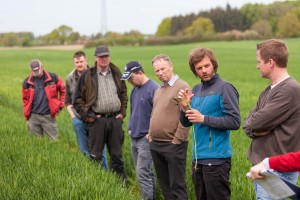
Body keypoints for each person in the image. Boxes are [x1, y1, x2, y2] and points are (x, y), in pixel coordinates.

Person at [178, 48, 240, 200]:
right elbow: (186, 122)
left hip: (217, 159)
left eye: (207, 66)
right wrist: (185, 107)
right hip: (197, 160)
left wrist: (204, 119)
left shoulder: (225, 88)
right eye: (199, 68)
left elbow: (234, 121)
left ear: (213, 64)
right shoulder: (196, 89)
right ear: (194, 70)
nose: (204, 70)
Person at [243, 39, 300, 200]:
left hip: (277, 170)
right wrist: (255, 125)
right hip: (263, 167)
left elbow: (254, 122)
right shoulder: (269, 90)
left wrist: (255, 124)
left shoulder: (289, 90)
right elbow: (249, 124)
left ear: (271, 62)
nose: (257, 65)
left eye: (259, 61)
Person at [73, 45, 128, 181]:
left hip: (115, 120)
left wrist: (122, 112)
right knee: (95, 156)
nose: (104, 59)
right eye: (101, 56)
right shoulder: (88, 75)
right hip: (97, 121)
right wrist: (88, 116)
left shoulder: (116, 72)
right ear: (95, 58)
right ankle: (98, 184)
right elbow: (77, 100)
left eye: (106, 56)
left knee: (117, 156)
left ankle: (120, 186)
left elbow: (123, 93)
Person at [148, 54, 191, 200]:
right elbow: (155, 112)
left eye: (162, 69)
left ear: (171, 67)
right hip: (156, 144)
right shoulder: (158, 90)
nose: (160, 73)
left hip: (173, 145)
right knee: (165, 186)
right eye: (157, 71)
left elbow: (187, 113)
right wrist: (150, 134)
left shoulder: (182, 86)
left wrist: (177, 140)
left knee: (177, 186)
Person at [121, 61, 159, 200]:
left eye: (131, 78)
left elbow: (158, 115)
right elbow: (134, 111)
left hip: (146, 138)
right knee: (145, 173)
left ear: (140, 73)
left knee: (143, 172)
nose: (130, 81)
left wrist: (151, 132)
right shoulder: (135, 90)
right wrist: (130, 127)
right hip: (134, 137)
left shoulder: (154, 89)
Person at [65, 51, 108, 170]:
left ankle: (106, 177)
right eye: (77, 62)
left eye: (81, 61)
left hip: (96, 119)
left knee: (100, 151)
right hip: (79, 120)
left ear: (86, 61)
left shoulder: (97, 75)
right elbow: (67, 101)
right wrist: (73, 117)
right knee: (84, 151)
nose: (79, 64)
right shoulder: (70, 78)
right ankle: (92, 175)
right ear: (74, 63)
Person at [22, 59, 66, 140]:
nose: (36, 73)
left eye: (37, 70)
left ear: (41, 67)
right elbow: (25, 100)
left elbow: (64, 91)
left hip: (48, 116)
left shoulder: (54, 78)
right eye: (33, 71)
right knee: (36, 144)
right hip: (33, 117)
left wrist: (60, 105)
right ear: (31, 70)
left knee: (53, 142)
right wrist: (27, 116)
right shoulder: (26, 82)